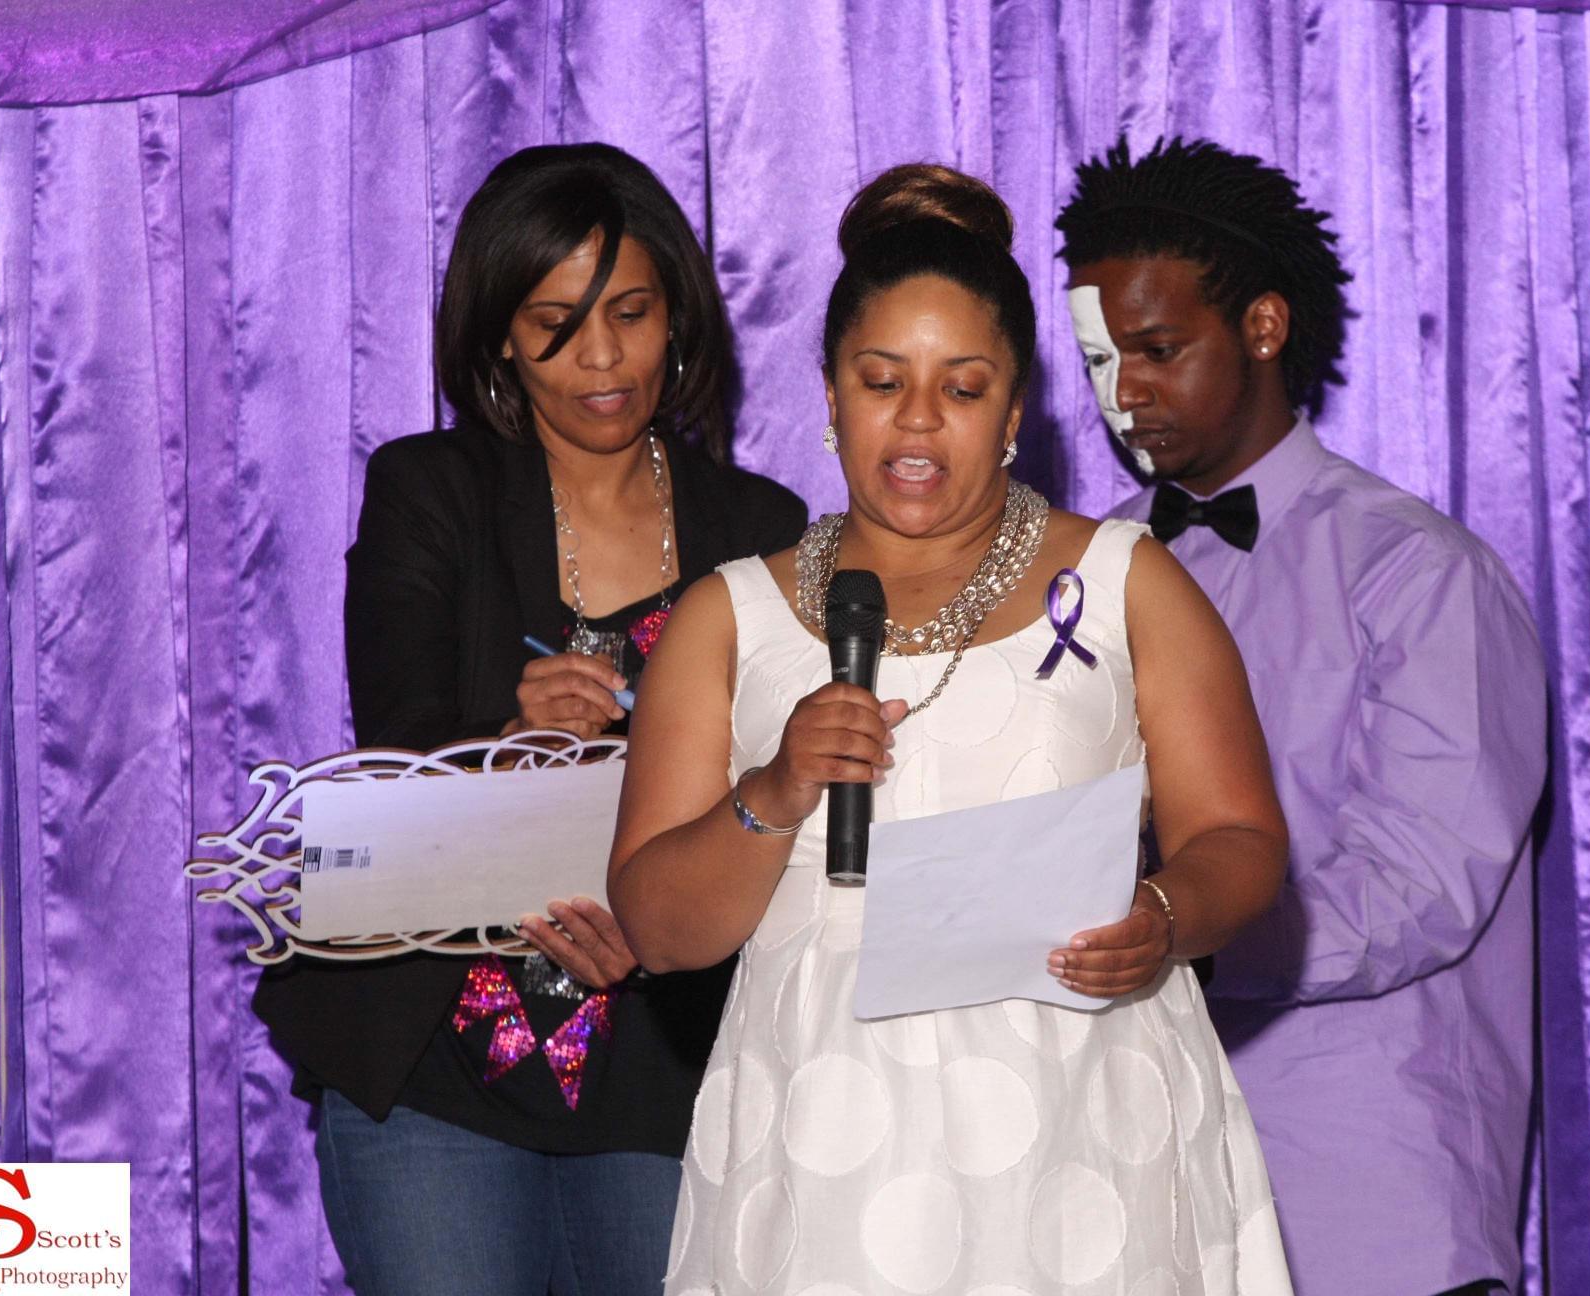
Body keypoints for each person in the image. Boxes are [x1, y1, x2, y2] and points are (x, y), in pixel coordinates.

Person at [607, 163, 1296, 1295]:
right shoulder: (728, 615)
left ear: (1015, 415)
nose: (919, 418)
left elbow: (1242, 839)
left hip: (1087, 1125)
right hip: (824, 1139)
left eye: (964, 389)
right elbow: (660, 928)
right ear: (831, 396)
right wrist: (774, 792)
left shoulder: (1125, 582)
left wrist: (1165, 916)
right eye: (883, 380)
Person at [251, 143, 807, 1296]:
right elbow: (393, 755)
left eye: (631, 314)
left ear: (678, 315)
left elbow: (773, 808)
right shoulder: (429, 490)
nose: (601, 358)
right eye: (555, 324)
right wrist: (503, 740)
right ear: (501, 335)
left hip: (667, 1069)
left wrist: (663, 921)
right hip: (432, 1062)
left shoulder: (759, 527)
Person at [1056, 136, 1550, 1296]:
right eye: (1100, 359)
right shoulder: (1077, 576)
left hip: (1370, 1189)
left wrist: (1178, 929)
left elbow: (1420, 882)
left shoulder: (1423, 574)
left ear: (1264, 327)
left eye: (1157, 350)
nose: (1123, 393)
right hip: (1133, 1186)